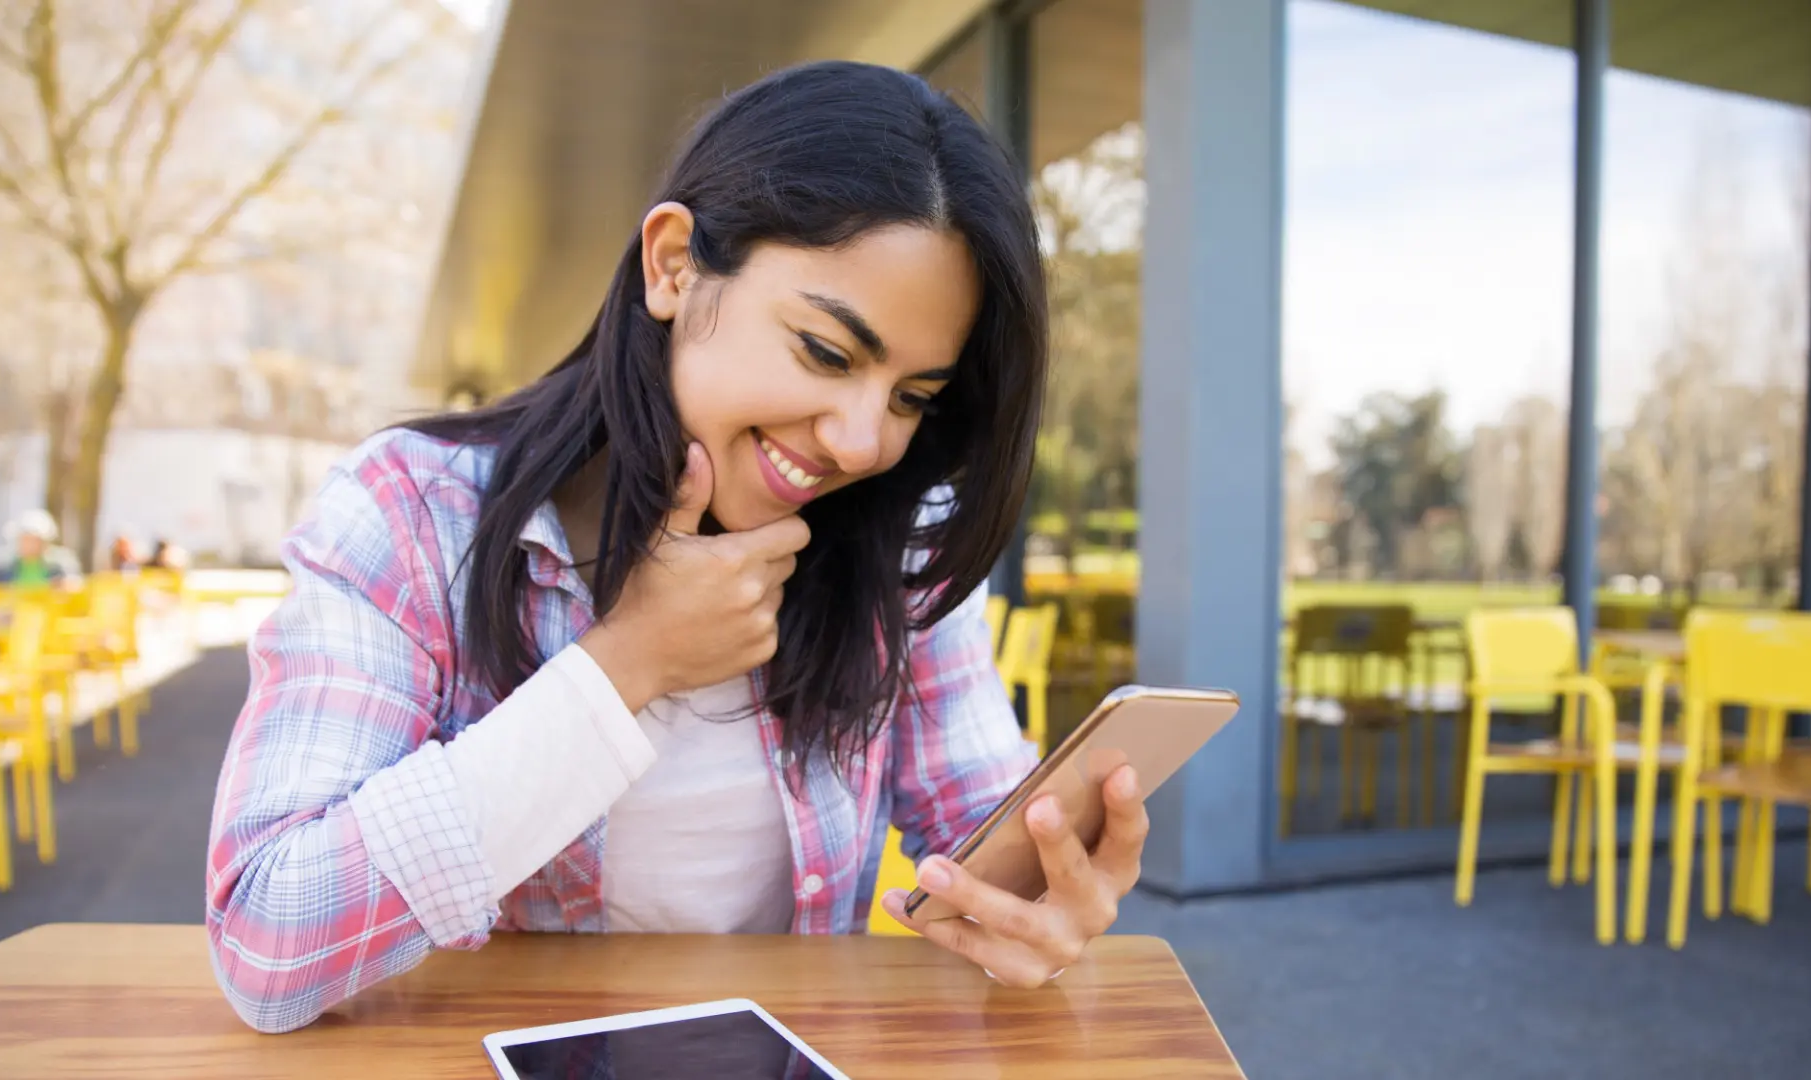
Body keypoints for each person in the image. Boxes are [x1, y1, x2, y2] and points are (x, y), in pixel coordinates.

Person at [206, 60, 1150, 1036]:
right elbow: (269, 944)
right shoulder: (409, 511)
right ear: (672, 265)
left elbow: (979, 839)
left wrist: (1041, 897)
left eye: (913, 397)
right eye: (826, 352)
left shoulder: (889, 534)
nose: (864, 442)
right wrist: (628, 665)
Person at [0, 509, 81, 587]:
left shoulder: (62, 564)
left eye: (34, 540)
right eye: (26, 540)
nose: (30, 545)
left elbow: (76, 587)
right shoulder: (3, 567)